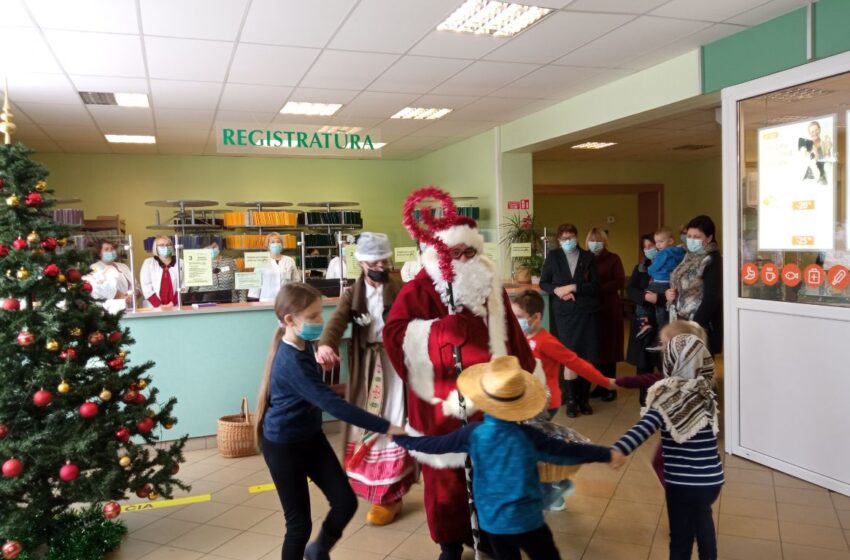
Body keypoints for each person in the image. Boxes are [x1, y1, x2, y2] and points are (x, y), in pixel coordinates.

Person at [384, 189, 537, 560]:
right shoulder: (419, 288)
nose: (466, 260)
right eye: (458, 254)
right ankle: (450, 544)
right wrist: (437, 332)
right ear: (440, 255)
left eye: (472, 252)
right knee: (446, 484)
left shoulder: (488, 284)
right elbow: (394, 336)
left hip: (492, 401)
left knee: (495, 476)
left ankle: (493, 537)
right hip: (443, 406)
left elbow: (513, 338)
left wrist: (521, 380)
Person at [394, 356, 614, 560]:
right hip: (528, 521)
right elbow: (567, 453)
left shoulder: (473, 434)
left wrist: (402, 439)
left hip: (492, 523)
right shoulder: (530, 437)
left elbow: (434, 445)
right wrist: (605, 454)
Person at [254, 282, 406, 560]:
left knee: (345, 502)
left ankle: (318, 550)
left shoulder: (304, 344)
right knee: (298, 525)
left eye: (319, 314)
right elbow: (332, 404)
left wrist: (351, 386)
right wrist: (386, 426)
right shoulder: (291, 361)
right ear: (290, 320)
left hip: (310, 437)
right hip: (284, 446)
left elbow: (319, 393)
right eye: (313, 317)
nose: (320, 322)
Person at [316, 233, 416, 526]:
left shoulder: (402, 290)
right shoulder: (352, 293)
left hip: (397, 368)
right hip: (367, 369)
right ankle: (378, 492)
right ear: (362, 263)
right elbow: (336, 321)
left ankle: (393, 495)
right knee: (366, 426)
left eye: (385, 260)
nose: (381, 265)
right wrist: (325, 344)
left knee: (396, 422)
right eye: (375, 261)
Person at [611, 331, 723, 560]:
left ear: (671, 362)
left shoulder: (667, 397)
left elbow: (644, 427)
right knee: (703, 522)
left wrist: (619, 449)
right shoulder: (706, 393)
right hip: (712, 480)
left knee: (681, 536)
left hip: (681, 483)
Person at [511, 289, 614, 419]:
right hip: (528, 398)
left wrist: (604, 381)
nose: (514, 321)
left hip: (544, 403)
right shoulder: (522, 337)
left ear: (536, 317)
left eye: (519, 317)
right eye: (512, 316)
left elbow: (575, 363)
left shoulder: (546, 342)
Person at [539, 223, 600, 415]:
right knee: (570, 357)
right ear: (559, 240)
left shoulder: (588, 257)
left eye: (571, 237)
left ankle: (584, 399)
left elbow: (596, 286)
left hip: (587, 314)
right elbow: (544, 282)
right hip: (565, 315)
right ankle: (571, 400)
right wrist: (557, 291)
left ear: (576, 237)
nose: (568, 241)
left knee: (587, 358)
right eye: (564, 238)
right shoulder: (554, 256)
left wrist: (573, 287)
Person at [666, 215, 723, 355]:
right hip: (681, 320)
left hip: (700, 326)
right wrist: (669, 293)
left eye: (697, 237)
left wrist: (692, 326)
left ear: (709, 238)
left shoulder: (713, 260)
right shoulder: (689, 256)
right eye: (689, 235)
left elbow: (712, 298)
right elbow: (678, 282)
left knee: (697, 372)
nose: (691, 240)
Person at [585, 228, 624, 402]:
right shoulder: (584, 259)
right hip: (589, 308)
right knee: (595, 349)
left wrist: (596, 288)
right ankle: (599, 385)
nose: (595, 243)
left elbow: (619, 281)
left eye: (598, 240)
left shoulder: (613, 258)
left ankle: (610, 387)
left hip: (609, 307)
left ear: (605, 242)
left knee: (609, 349)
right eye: (592, 240)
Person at [625, 234, 662, 406]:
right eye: (645, 247)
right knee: (643, 360)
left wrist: (658, 299)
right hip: (643, 318)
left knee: (662, 360)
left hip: (663, 319)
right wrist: (645, 297)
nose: (649, 249)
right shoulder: (640, 267)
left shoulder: (668, 266)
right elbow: (630, 289)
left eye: (652, 245)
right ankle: (644, 398)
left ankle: (663, 397)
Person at [635, 228, 686, 340]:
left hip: (659, 283)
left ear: (670, 241)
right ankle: (662, 338)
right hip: (669, 283)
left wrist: (649, 270)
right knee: (662, 311)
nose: (658, 245)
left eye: (660, 242)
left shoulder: (664, 253)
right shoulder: (680, 252)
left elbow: (656, 266)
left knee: (642, 300)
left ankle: (644, 323)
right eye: (656, 242)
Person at [86, 239, 135, 313]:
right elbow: (105, 288)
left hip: (129, 307)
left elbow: (135, 285)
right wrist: (123, 297)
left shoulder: (123, 266)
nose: (110, 251)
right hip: (108, 309)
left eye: (112, 249)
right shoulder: (94, 268)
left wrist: (133, 295)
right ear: (100, 253)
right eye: (106, 249)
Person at [249, 232, 300, 302]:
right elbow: (255, 285)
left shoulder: (289, 260)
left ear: (281, 245)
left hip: (286, 300)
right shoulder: (261, 260)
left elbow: (296, 281)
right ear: (268, 245)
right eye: (272, 242)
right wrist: (254, 303)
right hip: (266, 300)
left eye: (278, 242)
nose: (275, 244)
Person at [139, 236, 179, 309]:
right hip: (154, 307)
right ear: (155, 248)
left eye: (168, 245)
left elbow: (183, 286)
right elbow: (146, 287)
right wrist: (159, 305)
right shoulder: (148, 263)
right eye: (161, 245)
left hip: (175, 305)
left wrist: (173, 303)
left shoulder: (180, 263)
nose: (166, 247)